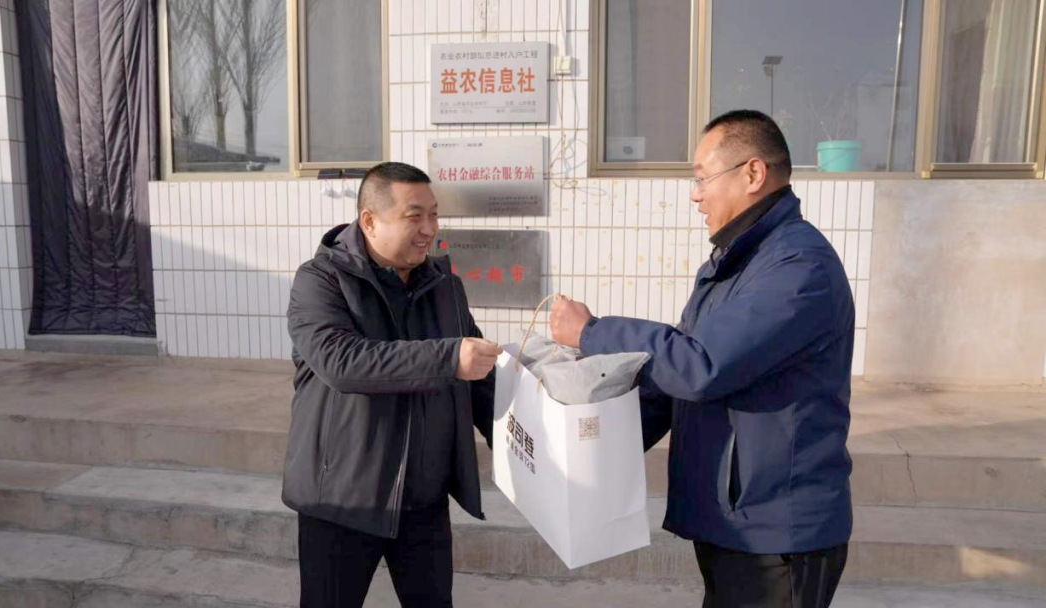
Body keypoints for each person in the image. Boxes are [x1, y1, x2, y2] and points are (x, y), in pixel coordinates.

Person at [550, 110, 855, 608]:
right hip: (738, 522)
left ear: (753, 174)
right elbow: (675, 379)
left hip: (777, 533)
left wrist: (592, 333)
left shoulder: (798, 266)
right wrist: (588, 439)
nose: (695, 195)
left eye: (701, 178)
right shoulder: (738, 263)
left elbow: (701, 365)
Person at [282, 162, 502, 607]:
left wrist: (536, 446)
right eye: (414, 216)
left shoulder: (445, 286)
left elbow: (481, 385)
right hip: (343, 501)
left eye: (434, 215)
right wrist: (449, 358)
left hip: (424, 500)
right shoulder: (320, 280)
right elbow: (343, 363)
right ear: (369, 220)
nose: (430, 229)